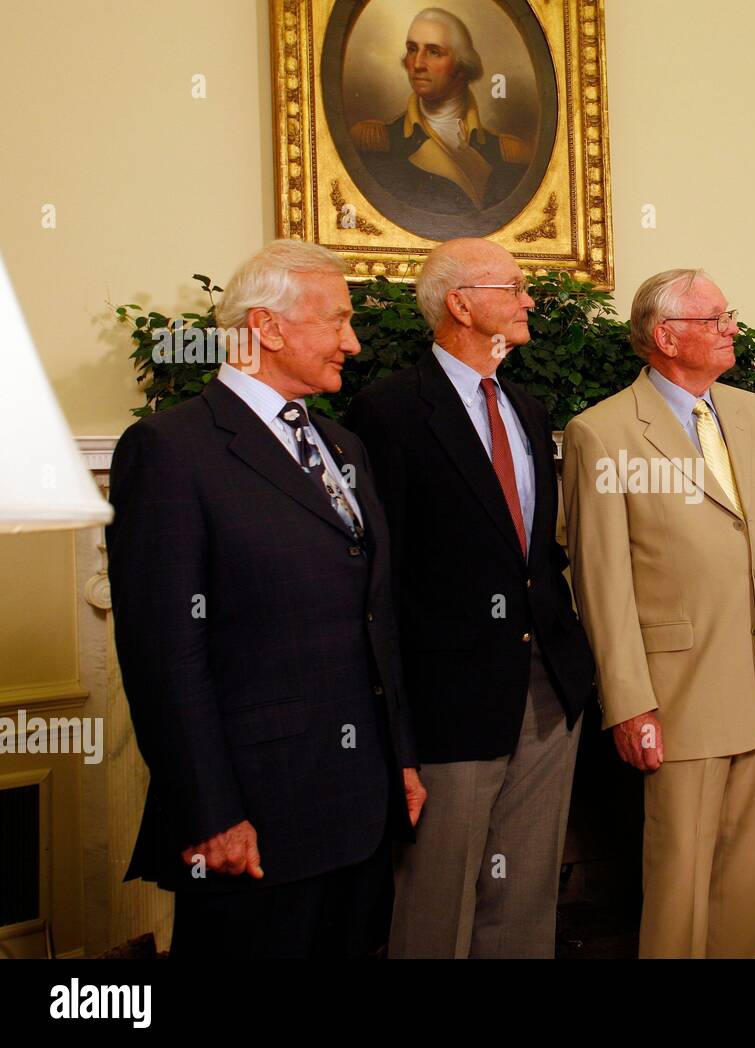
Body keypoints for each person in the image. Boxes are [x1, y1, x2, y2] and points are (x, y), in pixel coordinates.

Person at [107, 240, 425, 958]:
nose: (353, 341)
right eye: (337, 321)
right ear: (268, 327)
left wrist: (399, 759)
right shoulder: (170, 449)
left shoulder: (345, 447)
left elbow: (377, 621)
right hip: (254, 819)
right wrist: (211, 812)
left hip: (362, 812)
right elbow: (164, 654)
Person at [562, 268, 755, 958]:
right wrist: (628, 705)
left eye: (727, 315)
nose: (731, 327)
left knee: (747, 883)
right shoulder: (602, 433)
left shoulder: (754, 415)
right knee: (677, 883)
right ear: (666, 336)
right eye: (715, 319)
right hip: (675, 698)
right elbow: (601, 583)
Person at [346, 238, 594, 958]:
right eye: (512, 287)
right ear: (461, 303)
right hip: (445, 701)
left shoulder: (527, 403)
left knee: (524, 900)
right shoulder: (387, 412)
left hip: (548, 691)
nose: (527, 300)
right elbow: (380, 577)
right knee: (436, 904)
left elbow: (541, 551)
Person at [350, 7, 530, 213]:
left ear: (462, 66)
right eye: (412, 49)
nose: (417, 64)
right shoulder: (376, 142)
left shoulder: (507, 153)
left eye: (434, 52)